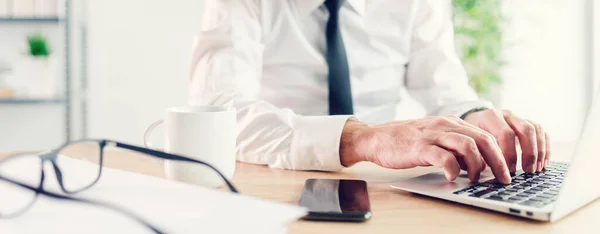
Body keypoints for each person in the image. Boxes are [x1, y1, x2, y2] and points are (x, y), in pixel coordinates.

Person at [189, 0, 550, 184]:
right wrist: (365, 139)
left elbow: (446, 90)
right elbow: (218, 112)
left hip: (382, 186)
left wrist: (476, 117)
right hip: (274, 180)